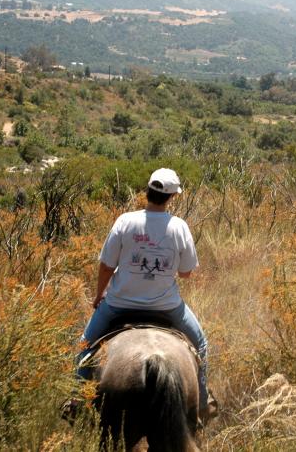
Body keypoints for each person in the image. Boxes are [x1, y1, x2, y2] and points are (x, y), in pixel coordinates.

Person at [65, 168, 217, 422]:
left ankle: (78, 401)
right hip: (167, 307)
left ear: (147, 191)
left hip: (118, 304)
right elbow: (187, 273)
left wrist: (99, 295)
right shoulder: (179, 227)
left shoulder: (125, 221)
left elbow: (106, 266)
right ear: (172, 197)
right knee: (201, 344)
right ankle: (201, 403)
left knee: (84, 347)